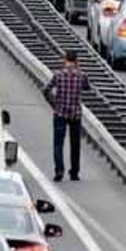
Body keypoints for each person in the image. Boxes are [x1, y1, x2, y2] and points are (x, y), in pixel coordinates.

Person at [43, 52, 86, 181]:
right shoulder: (82, 75)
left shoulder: (58, 75)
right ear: (76, 61)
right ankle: (74, 172)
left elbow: (46, 90)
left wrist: (54, 103)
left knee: (58, 144)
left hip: (60, 113)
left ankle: (59, 170)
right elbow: (87, 87)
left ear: (65, 59)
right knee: (75, 144)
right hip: (75, 114)